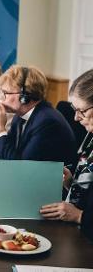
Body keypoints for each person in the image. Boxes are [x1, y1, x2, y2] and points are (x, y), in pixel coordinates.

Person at [40, 69, 93, 241]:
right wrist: (71, 182)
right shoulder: (90, 137)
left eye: (82, 111)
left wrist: (79, 216)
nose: (76, 118)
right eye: (74, 110)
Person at [0, 65, 76, 164]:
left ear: (25, 96)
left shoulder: (47, 122)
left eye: (6, 93)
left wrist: (0, 131)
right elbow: (6, 154)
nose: (1, 99)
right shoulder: (20, 116)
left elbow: (21, 167)